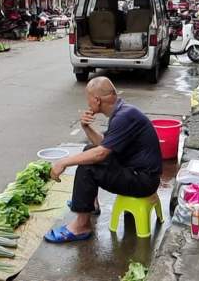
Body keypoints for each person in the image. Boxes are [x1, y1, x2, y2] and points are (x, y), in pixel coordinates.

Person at [45, 77, 162, 243]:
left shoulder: (124, 117)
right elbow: (103, 146)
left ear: (97, 100)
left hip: (143, 181)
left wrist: (63, 162)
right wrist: (86, 127)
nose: (87, 103)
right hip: (138, 173)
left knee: (88, 167)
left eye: (88, 98)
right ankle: (90, 205)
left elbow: (101, 154)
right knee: (88, 151)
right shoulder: (122, 111)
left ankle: (81, 226)